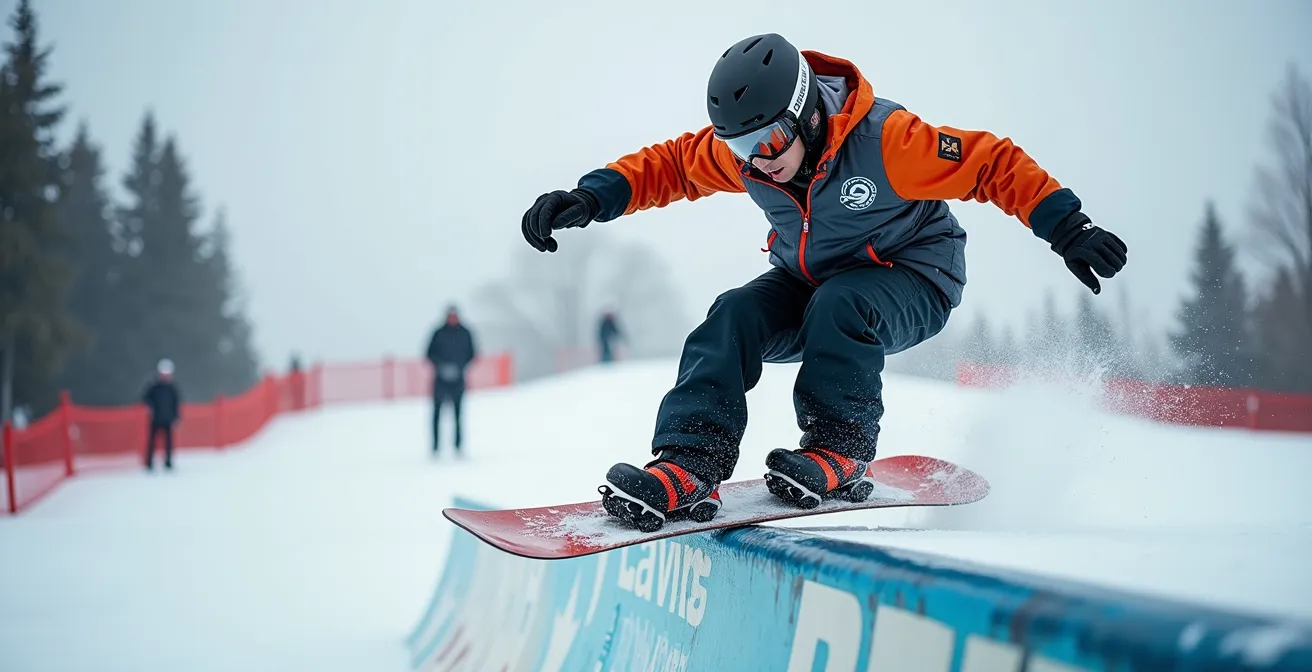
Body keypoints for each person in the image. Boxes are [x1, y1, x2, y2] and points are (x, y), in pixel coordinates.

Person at [520, 33, 1128, 531]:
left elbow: (990, 162)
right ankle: (690, 462)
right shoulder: (753, 161)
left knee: (843, 302)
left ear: (808, 111)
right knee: (731, 314)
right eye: (739, 148)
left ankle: (840, 448)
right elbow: (671, 165)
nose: (757, 160)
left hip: (914, 277)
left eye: (768, 140)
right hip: (810, 283)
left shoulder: (888, 143)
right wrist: (588, 198)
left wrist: (1067, 227)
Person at [425, 305, 477, 455]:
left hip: (458, 380)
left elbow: (472, 353)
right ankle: (435, 447)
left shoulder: (465, 333)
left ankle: (458, 446)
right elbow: (429, 353)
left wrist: (459, 367)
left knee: (458, 414)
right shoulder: (438, 333)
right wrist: (441, 367)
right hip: (440, 380)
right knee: (436, 414)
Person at [142, 358, 181, 471]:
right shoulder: (153, 387)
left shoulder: (172, 388)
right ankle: (149, 463)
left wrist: (176, 417)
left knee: (168, 442)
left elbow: (176, 404)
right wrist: (149, 407)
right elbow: (145, 399)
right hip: (155, 419)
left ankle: (168, 462)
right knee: (152, 441)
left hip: (168, 419)